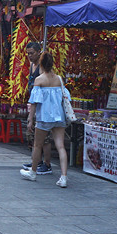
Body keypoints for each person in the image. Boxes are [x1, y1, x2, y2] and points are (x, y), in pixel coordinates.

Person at [21, 52, 70, 187]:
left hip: (44, 117)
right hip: (59, 116)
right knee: (60, 146)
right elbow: (66, 97)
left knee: (37, 145)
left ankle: (33, 172)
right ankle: (64, 177)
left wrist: (30, 119)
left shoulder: (39, 80)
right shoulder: (59, 79)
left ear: (41, 64)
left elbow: (34, 102)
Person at [22, 43, 53, 176]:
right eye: (28, 53)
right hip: (33, 104)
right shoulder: (32, 65)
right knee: (35, 136)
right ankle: (37, 161)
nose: (29, 56)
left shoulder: (42, 68)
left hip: (42, 106)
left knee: (44, 137)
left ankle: (47, 163)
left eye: (32, 53)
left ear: (39, 52)